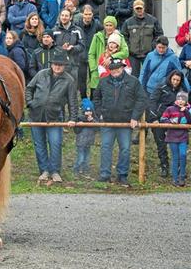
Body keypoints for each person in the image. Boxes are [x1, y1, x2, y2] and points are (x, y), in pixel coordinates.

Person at [25, 50, 79, 184]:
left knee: (55, 144)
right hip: (36, 115)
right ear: (51, 64)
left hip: (54, 116)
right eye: (55, 64)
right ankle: (44, 171)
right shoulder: (41, 74)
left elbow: (73, 100)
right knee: (39, 145)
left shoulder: (69, 80)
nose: (57, 66)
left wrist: (73, 118)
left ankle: (55, 171)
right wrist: (30, 103)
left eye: (60, 64)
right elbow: (29, 88)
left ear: (64, 65)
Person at [92, 58, 147, 187]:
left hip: (126, 123)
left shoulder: (133, 82)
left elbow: (141, 99)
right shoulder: (103, 82)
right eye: (112, 69)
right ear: (109, 70)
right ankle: (105, 174)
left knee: (125, 149)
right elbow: (96, 98)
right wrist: (100, 113)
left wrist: (135, 117)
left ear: (122, 68)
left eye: (117, 68)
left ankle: (122, 175)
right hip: (107, 122)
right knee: (105, 148)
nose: (115, 71)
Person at [148, 70, 187, 179]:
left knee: (177, 145)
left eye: (178, 80)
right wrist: (154, 118)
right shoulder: (161, 87)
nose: (175, 82)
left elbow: (186, 106)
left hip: (175, 122)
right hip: (160, 119)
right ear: (170, 78)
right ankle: (164, 166)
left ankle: (179, 168)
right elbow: (152, 102)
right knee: (161, 145)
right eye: (174, 79)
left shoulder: (182, 91)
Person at [122, 0, 163, 77]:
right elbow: (124, 37)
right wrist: (129, 47)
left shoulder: (153, 20)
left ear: (144, 8)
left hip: (148, 54)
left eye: (140, 8)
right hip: (133, 55)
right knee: (134, 77)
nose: (139, 10)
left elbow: (159, 34)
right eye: (137, 8)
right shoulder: (128, 22)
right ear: (134, 9)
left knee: (149, 76)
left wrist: (153, 46)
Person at [88, 16, 128, 91]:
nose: (108, 28)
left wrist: (112, 57)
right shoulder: (97, 36)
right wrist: (93, 68)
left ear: (114, 26)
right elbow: (91, 54)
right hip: (98, 70)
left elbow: (125, 52)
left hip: (114, 70)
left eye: (110, 25)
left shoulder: (120, 37)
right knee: (96, 94)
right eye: (106, 25)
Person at [159, 91, 190, 187]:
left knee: (183, 155)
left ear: (186, 101)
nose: (181, 101)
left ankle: (182, 176)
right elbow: (163, 119)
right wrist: (170, 121)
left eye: (183, 99)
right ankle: (175, 179)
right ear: (176, 99)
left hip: (183, 136)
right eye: (179, 98)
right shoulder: (170, 109)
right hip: (172, 136)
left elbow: (189, 120)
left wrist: (185, 111)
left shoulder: (188, 110)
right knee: (175, 157)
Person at [73, 98, 98, 179]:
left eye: (90, 111)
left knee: (87, 158)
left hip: (89, 142)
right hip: (80, 142)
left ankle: (85, 170)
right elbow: (76, 131)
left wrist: (93, 121)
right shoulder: (79, 119)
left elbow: (97, 128)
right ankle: (76, 170)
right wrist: (81, 124)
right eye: (87, 111)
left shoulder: (94, 119)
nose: (88, 113)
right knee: (80, 157)